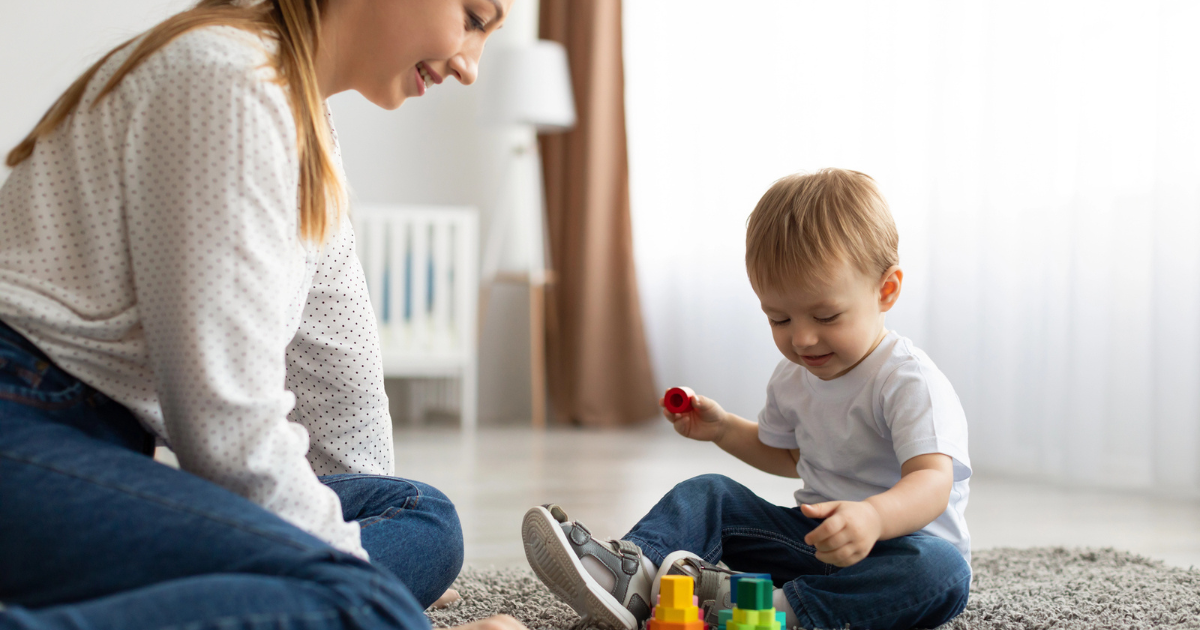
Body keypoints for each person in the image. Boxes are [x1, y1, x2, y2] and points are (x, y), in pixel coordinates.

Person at [0, 2, 524, 630]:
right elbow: (224, 429)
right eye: (472, 17)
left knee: (420, 518)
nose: (470, 66)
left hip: (82, 434)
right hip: (22, 424)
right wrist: (361, 577)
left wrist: (353, 555)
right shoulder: (226, 80)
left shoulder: (303, 118)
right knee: (364, 598)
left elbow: (335, 354)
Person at [522, 169, 973, 630]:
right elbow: (792, 456)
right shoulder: (794, 376)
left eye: (826, 315)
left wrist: (874, 518)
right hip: (811, 544)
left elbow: (932, 482)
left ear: (886, 290)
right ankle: (632, 577)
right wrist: (722, 430)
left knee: (943, 572)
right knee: (709, 493)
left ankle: (781, 612)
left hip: (896, 553)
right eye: (778, 319)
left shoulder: (907, 380)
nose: (802, 338)